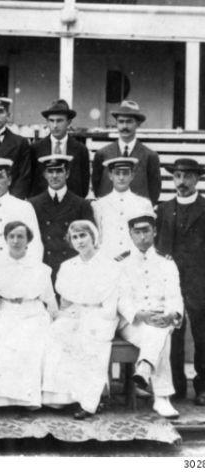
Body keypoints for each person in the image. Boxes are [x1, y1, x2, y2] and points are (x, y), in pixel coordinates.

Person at [42, 220, 122, 419]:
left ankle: (89, 402)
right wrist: (66, 315)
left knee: (90, 340)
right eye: (75, 237)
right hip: (76, 312)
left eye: (83, 235)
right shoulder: (68, 266)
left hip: (100, 314)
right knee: (57, 333)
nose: (80, 241)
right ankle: (65, 397)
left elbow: (111, 301)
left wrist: (101, 318)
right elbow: (66, 301)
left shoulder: (109, 265)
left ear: (93, 237)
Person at [117, 213, 183, 418]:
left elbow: (175, 295)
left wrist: (172, 314)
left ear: (154, 232)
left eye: (146, 231)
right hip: (133, 322)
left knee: (159, 330)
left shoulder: (166, 262)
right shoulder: (121, 263)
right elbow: (121, 300)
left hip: (162, 318)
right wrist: (140, 315)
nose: (142, 236)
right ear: (130, 234)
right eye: (137, 232)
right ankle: (162, 398)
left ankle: (145, 368)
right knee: (160, 334)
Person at [0, 221, 57, 409]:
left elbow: (49, 298)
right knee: (2, 344)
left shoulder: (40, 268)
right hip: (5, 311)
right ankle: (5, 398)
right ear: (5, 239)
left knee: (34, 344)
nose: (16, 240)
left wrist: (56, 318)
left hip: (33, 312)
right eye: (11, 236)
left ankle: (29, 399)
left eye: (21, 236)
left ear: (28, 240)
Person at [156, 158, 205, 402]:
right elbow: (159, 247)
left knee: (202, 334)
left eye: (187, 176)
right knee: (172, 332)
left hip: (200, 280)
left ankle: (203, 386)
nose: (182, 181)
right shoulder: (164, 209)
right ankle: (175, 385)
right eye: (177, 176)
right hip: (171, 281)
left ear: (198, 179)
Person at [28, 155, 94, 281]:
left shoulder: (82, 205)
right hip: (44, 270)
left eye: (59, 171)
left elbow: (89, 243)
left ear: (67, 173)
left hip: (72, 271)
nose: (54, 176)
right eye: (50, 171)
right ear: (44, 174)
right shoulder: (32, 205)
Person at [91, 100, 161, 204]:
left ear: (138, 124)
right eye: (121, 121)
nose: (124, 126)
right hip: (110, 211)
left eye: (129, 122)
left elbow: (154, 192)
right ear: (116, 123)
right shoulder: (102, 154)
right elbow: (97, 187)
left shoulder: (150, 156)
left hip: (137, 213)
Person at [92, 157, 153, 259]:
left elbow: (148, 237)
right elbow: (97, 237)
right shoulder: (99, 205)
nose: (121, 177)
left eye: (125, 173)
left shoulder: (143, 204)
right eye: (117, 173)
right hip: (108, 260)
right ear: (110, 176)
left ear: (132, 175)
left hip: (134, 259)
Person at [28, 99, 90, 198]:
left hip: (71, 205)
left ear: (68, 122)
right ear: (47, 122)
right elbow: (31, 182)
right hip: (42, 205)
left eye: (60, 121)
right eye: (51, 121)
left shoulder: (80, 150)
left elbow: (84, 186)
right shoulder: (35, 149)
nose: (55, 125)